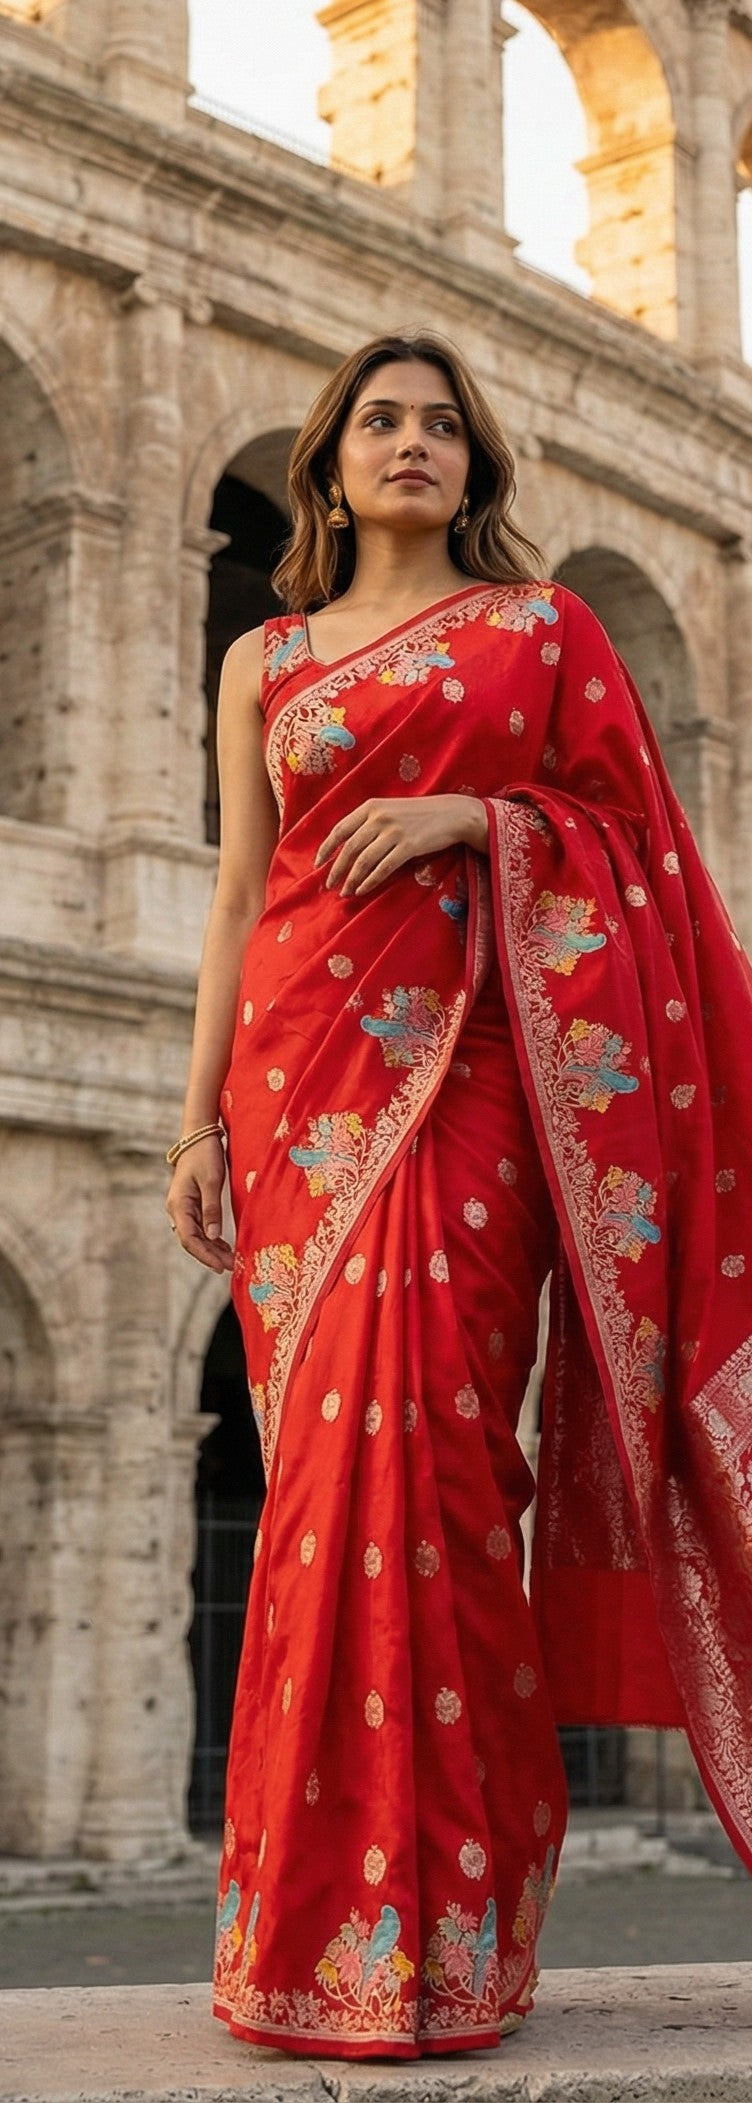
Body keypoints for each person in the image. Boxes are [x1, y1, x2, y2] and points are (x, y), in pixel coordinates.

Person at [166, 330, 752, 2060]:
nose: (409, 443)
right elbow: (240, 894)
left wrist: (478, 822)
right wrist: (194, 1126)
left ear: (476, 464)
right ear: (331, 464)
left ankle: (452, 1938)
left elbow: (640, 857)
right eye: (378, 421)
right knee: (315, 1490)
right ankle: (304, 1944)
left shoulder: (545, 634)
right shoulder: (266, 660)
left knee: (436, 1464)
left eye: (440, 424)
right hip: (297, 1092)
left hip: (475, 1076)